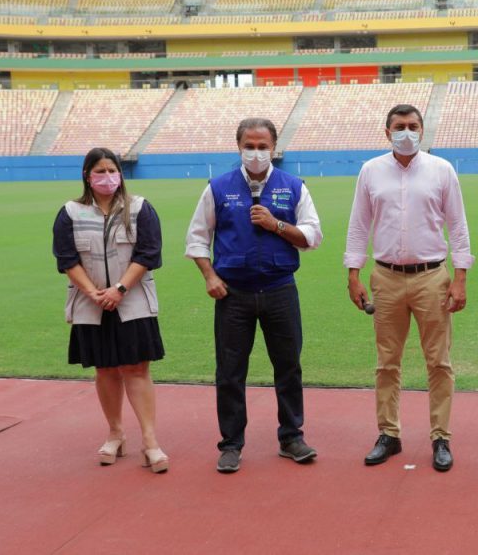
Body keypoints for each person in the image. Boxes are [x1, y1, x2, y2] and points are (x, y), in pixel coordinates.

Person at [185, 117, 323, 473]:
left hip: (280, 289)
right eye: (250, 146)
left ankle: (291, 437)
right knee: (230, 371)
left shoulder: (294, 187)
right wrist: (209, 276)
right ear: (239, 147)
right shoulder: (218, 188)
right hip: (233, 294)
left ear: (274, 148)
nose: (257, 153)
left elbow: (312, 236)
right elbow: (197, 239)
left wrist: (276, 224)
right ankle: (231, 443)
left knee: (288, 366)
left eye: (263, 146)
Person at [345, 104, 473, 472]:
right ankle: (389, 434)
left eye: (413, 126)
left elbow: (458, 225)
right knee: (387, 362)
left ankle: (441, 437)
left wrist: (461, 276)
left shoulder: (441, 170)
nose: (406, 132)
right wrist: (353, 273)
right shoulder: (371, 171)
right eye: (399, 126)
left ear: (422, 130)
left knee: (439, 362)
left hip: (432, 276)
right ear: (387, 132)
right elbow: (359, 224)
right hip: (385, 276)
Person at [52, 147, 169, 473]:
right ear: (87, 176)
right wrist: (94, 293)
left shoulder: (140, 209)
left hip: (133, 302)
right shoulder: (70, 213)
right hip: (90, 304)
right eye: (99, 172)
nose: (107, 178)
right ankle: (115, 433)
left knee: (136, 368)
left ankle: (150, 441)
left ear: (121, 173)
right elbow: (66, 259)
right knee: (104, 369)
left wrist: (119, 290)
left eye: (112, 170)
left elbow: (149, 253)